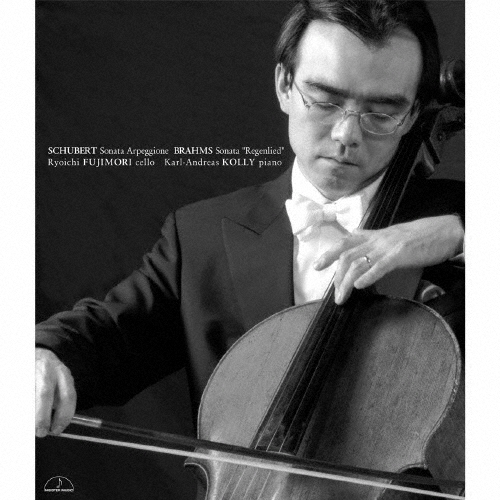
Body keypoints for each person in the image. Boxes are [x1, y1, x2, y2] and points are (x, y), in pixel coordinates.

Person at [36, 0, 464, 476]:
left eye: (382, 113)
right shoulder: (200, 238)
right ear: (284, 84)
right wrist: (42, 354)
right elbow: (109, 336)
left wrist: (460, 233)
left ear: (413, 115)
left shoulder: (464, 223)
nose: (347, 134)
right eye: (324, 101)